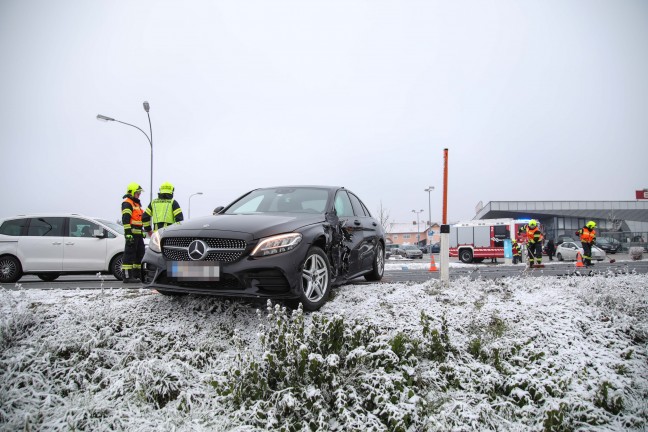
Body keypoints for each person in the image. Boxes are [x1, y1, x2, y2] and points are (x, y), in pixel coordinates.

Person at [121, 182, 146, 283]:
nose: (139, 194)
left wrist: (142, 232)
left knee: (140, 254)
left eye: (139, 193)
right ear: (131, 192)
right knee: (129, 255)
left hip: (138, 234)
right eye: (137, 192)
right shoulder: (127, 203)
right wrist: (128, 234)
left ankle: (136, 275)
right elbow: (126, 220)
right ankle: (127, 276)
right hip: (131, 234)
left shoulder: (136, 204)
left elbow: (139, 220)